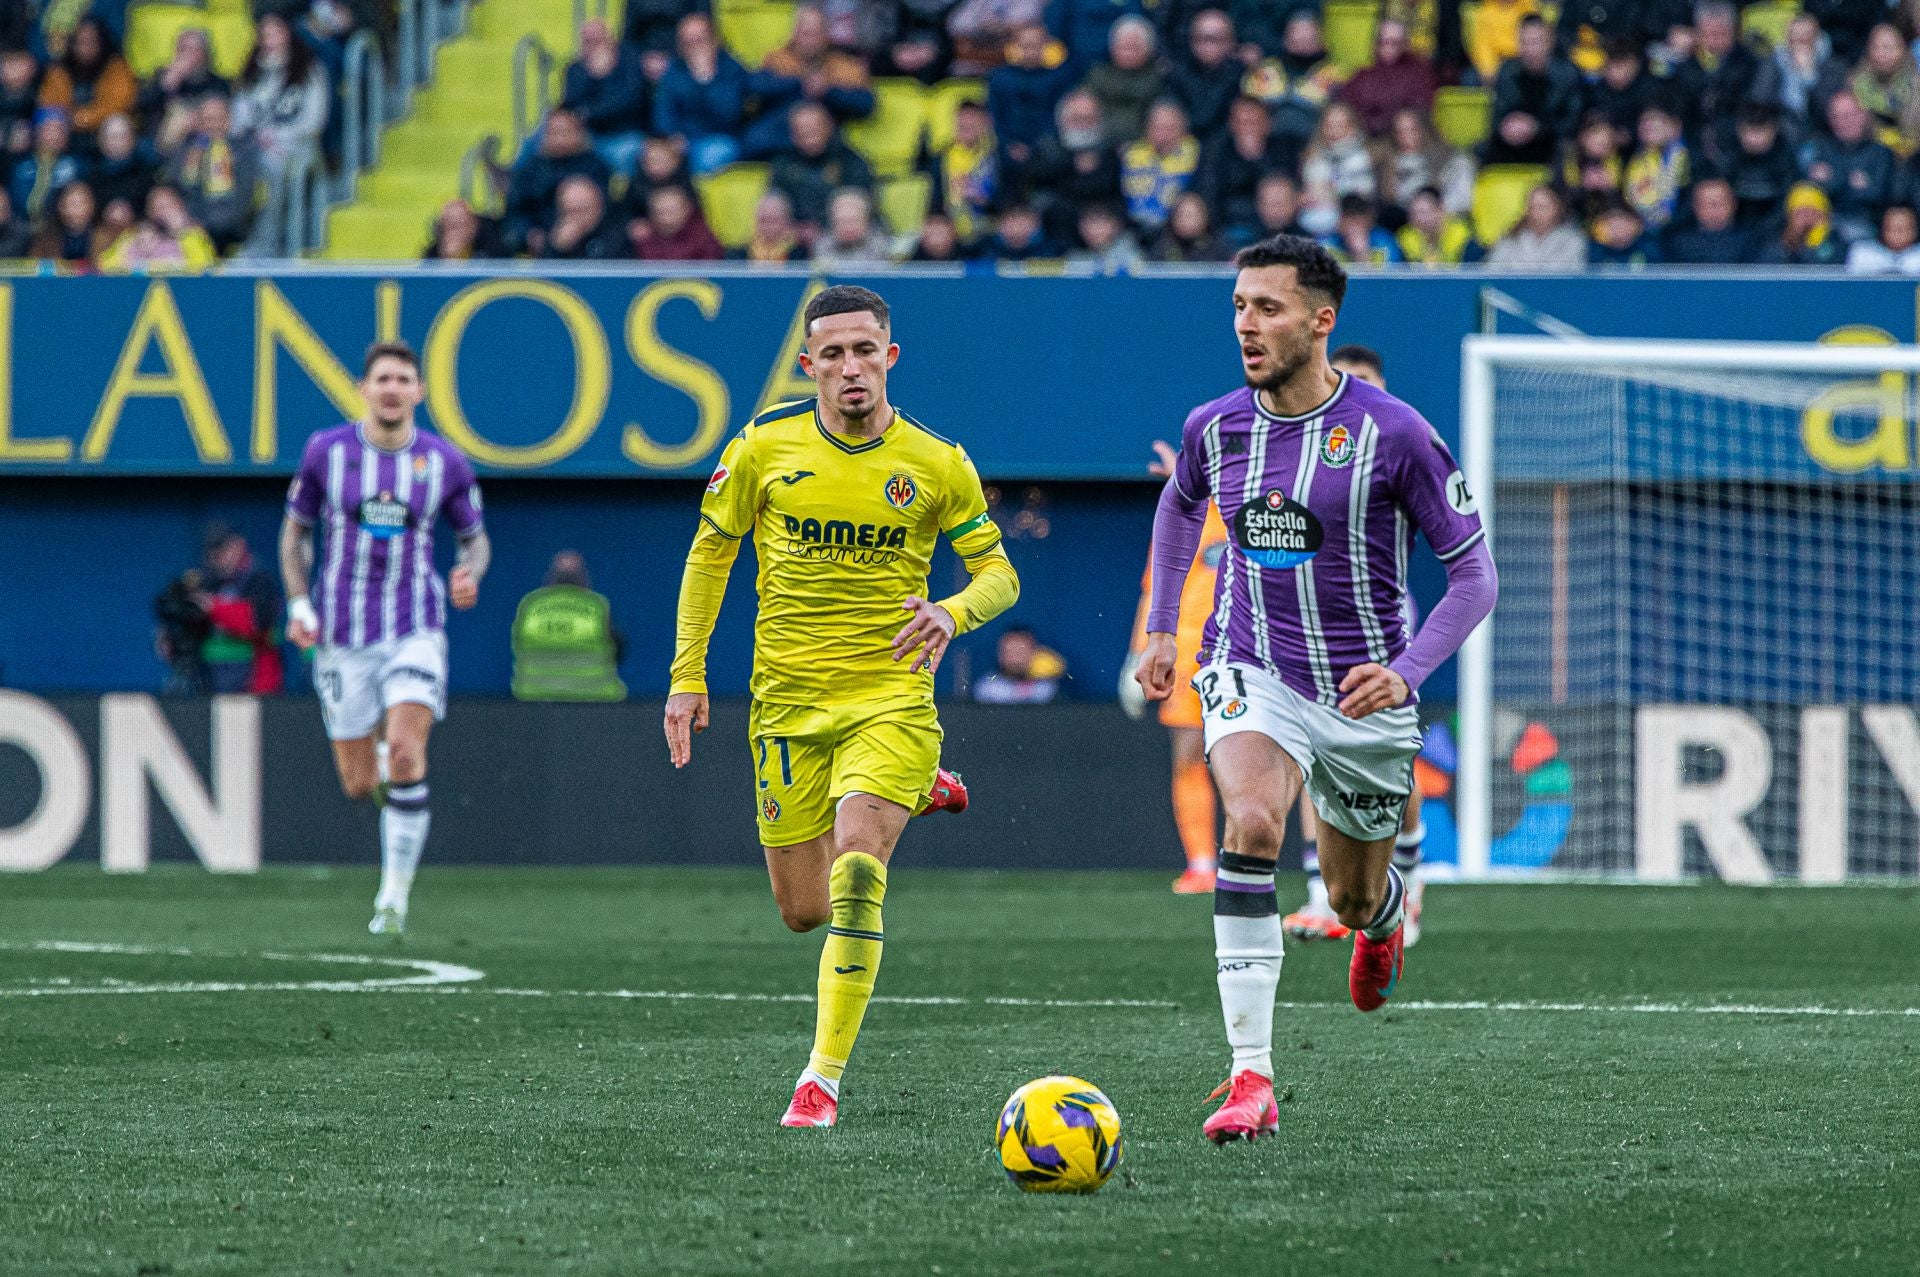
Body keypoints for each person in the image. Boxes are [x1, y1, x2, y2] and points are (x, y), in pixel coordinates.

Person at [1136, 235, 1495, 1142]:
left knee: (1347, 894)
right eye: (1238, 307)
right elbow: (1180, 504)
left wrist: (1405, 671)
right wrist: (1159, 628)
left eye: (1268, 308)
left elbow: (1475, 577)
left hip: (1362, 697)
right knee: (1251, 822)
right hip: (1249, 664)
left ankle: (1379, 922)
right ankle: (1249, 1076)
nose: (1247, 326)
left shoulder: (1395, 432)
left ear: (1321, 321)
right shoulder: (1215, 426)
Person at [665, 285, 1018, 1128]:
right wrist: (687, 676)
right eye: (834, 354)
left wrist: (952, 611)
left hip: (889, 697)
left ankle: (819, 1079)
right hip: (786, 705)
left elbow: (1000, 573)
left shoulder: (937, 463)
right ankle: (921, 787)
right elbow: (709, 557)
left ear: (889, 358)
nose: (851, 367)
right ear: (808, 364)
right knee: (803, 910)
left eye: (866, 351)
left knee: (859, 873)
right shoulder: (761, 448)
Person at [279, 341, 491, 937]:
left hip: (415, 627)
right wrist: (299, 603)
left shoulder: (445, 462)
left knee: (404, 750)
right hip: (342, 634)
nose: (392, 388)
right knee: (360, 782)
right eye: (382, 379)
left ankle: (392, 898)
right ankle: (384, 775)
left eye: (403, 378)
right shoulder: (326, 452)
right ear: (364, 388)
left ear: (419, 390)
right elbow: (293, 535)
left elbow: (475, 537)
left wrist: (469, 572)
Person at [1281, 346, 1434, 943]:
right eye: (1349, 381)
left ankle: (1410, 884)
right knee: (1307, 754)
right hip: (1302, 623)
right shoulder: (1297, 440)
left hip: (1380, 624)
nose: (1356, 393)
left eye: (1368, 382)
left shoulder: (1404, 442)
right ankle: (1322, 895)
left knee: (1389, 755)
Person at [1123, 438, 1232, 893]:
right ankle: (1201, 863)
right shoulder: (1178, 517)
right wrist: (1136, 654)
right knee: (1189, 756)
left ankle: (1244, 859)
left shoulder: (1254, 509)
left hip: (1243, 652)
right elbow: (1153, 590)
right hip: (1186, 655)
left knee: (1243, 760)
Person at [511, 550, 627, 702]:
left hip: (533, 699)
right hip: (595, 701)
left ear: (551, 577)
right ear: (583, 578)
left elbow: (516, 643)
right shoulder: (597, 606)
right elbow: (618, 648)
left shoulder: (530, 604)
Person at [655, 13, 750, 175]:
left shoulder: (731, 68)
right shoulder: (675, 70)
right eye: (688, 43)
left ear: (715, 40)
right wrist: (673, 136)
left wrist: (705, 80)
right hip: (683, 141)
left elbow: (729, 114)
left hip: (721, 138)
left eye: (700, 40)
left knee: (711, 154)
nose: (695, 48)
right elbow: (663, 113)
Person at [1485, 16, 1581, 165]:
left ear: (1550, 42)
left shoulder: (1568, 74)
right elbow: (1496, 116)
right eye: (1524, 42)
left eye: (1536, 42)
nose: (1530, 50)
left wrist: (1537, 128)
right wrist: (1507, 126)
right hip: (1511, 145)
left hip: (1550, 146)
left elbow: (1572, 122)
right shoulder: (1507, 71)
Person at [561, 18, 650, 175]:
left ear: (611, 41)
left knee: (633, 153)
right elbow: (571, 106)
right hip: (588, 137)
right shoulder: (575, 70)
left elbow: (630, 103)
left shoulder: (630, 62)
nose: (594, 47)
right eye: (588, 41)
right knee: (541, 137)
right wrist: (594, 77)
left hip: (624, 135)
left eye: (598, 41)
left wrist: (589, 112)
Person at [1338, 20, 1436, 137]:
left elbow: (1420, 112)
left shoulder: (1419, 73)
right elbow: (1346, 104)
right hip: (1365, 136)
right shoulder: (1364, 75)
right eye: (1383, 42)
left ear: (1405, 44)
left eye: (1394, 43)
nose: (1388, 48)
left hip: (1403, 137)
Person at [1484, 184, 1586, 268]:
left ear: (1557, 209)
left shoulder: (1573, 240)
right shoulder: (1511, 237)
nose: (1537, 213)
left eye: (1542, 208)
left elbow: (1573, 277)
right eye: (1533, 207)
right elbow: (1491, 271)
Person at [972, 624, 1065, 702]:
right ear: (1000, 655)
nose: (1016, 659)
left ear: (1034, 652)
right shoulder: (988, 689)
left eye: (1021, 651)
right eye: (1010, 651)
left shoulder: (1047, 689)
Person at [1847, 203, 1920, 271]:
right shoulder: (1863, 252)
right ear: (1882, 229)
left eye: (1901, 229)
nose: (1896, 234)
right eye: (1891, 228)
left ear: (1915, 230)